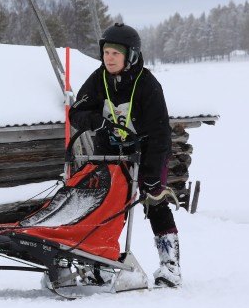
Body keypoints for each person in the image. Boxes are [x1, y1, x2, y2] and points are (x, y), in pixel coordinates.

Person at [68, 22, 182, 287]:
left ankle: (170, 265)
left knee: (155, 202)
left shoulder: (148, 84)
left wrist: (153, 174)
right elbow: (77, 112)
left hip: (148, 150)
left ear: (130, 55)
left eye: (115, 53)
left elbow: (160, 134)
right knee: (108, 203)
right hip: (109, 151)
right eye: (106, 52)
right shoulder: (98, 79)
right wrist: (95, 120)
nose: (109, 58)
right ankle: (103, 260)